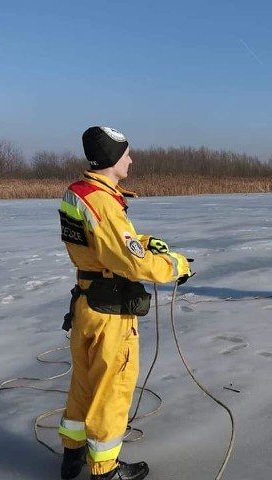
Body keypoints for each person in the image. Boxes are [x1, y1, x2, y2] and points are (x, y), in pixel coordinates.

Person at [57, 126, 193, 480]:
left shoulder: (80, 193)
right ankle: (104, 468)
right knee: (113, 387)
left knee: (85, 383)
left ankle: (72, 454)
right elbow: (128, 261)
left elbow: (107, 240)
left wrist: (145, 240)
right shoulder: (101, 201)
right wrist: (175, 265)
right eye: (127, 154)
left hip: (87, 302)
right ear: (112, 159)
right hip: (109, 311)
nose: (131, 159)